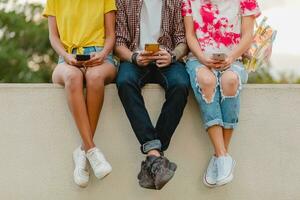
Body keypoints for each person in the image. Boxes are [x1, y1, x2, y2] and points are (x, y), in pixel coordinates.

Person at [182, 0, 260, 187]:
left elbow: (247, 35)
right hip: (199, 59)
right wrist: (202, 58)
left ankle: (219, 156)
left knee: (229, 81)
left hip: (233, 60)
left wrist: (231, 57)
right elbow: (190, 35)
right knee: (207, 81)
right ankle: (224, 156)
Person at [115, 0, 190, 190]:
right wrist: (134, 57)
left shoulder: (175, 1)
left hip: (167, 60)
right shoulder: (124, 2)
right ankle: (156, 155)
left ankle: (153, 153)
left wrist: (172, 55)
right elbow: (119, 42)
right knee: (124, 82)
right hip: (136, 60)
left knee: (181, 85)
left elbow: (182, 41)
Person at [43, 0, 117, 187]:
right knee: (73, 77)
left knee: (94, 77)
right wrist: (67, 56)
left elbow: (110, 36)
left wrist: (102, 54)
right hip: (67, 58)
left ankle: (82, 151)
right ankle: (91, 150)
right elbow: (53, 36)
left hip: (100, 57)